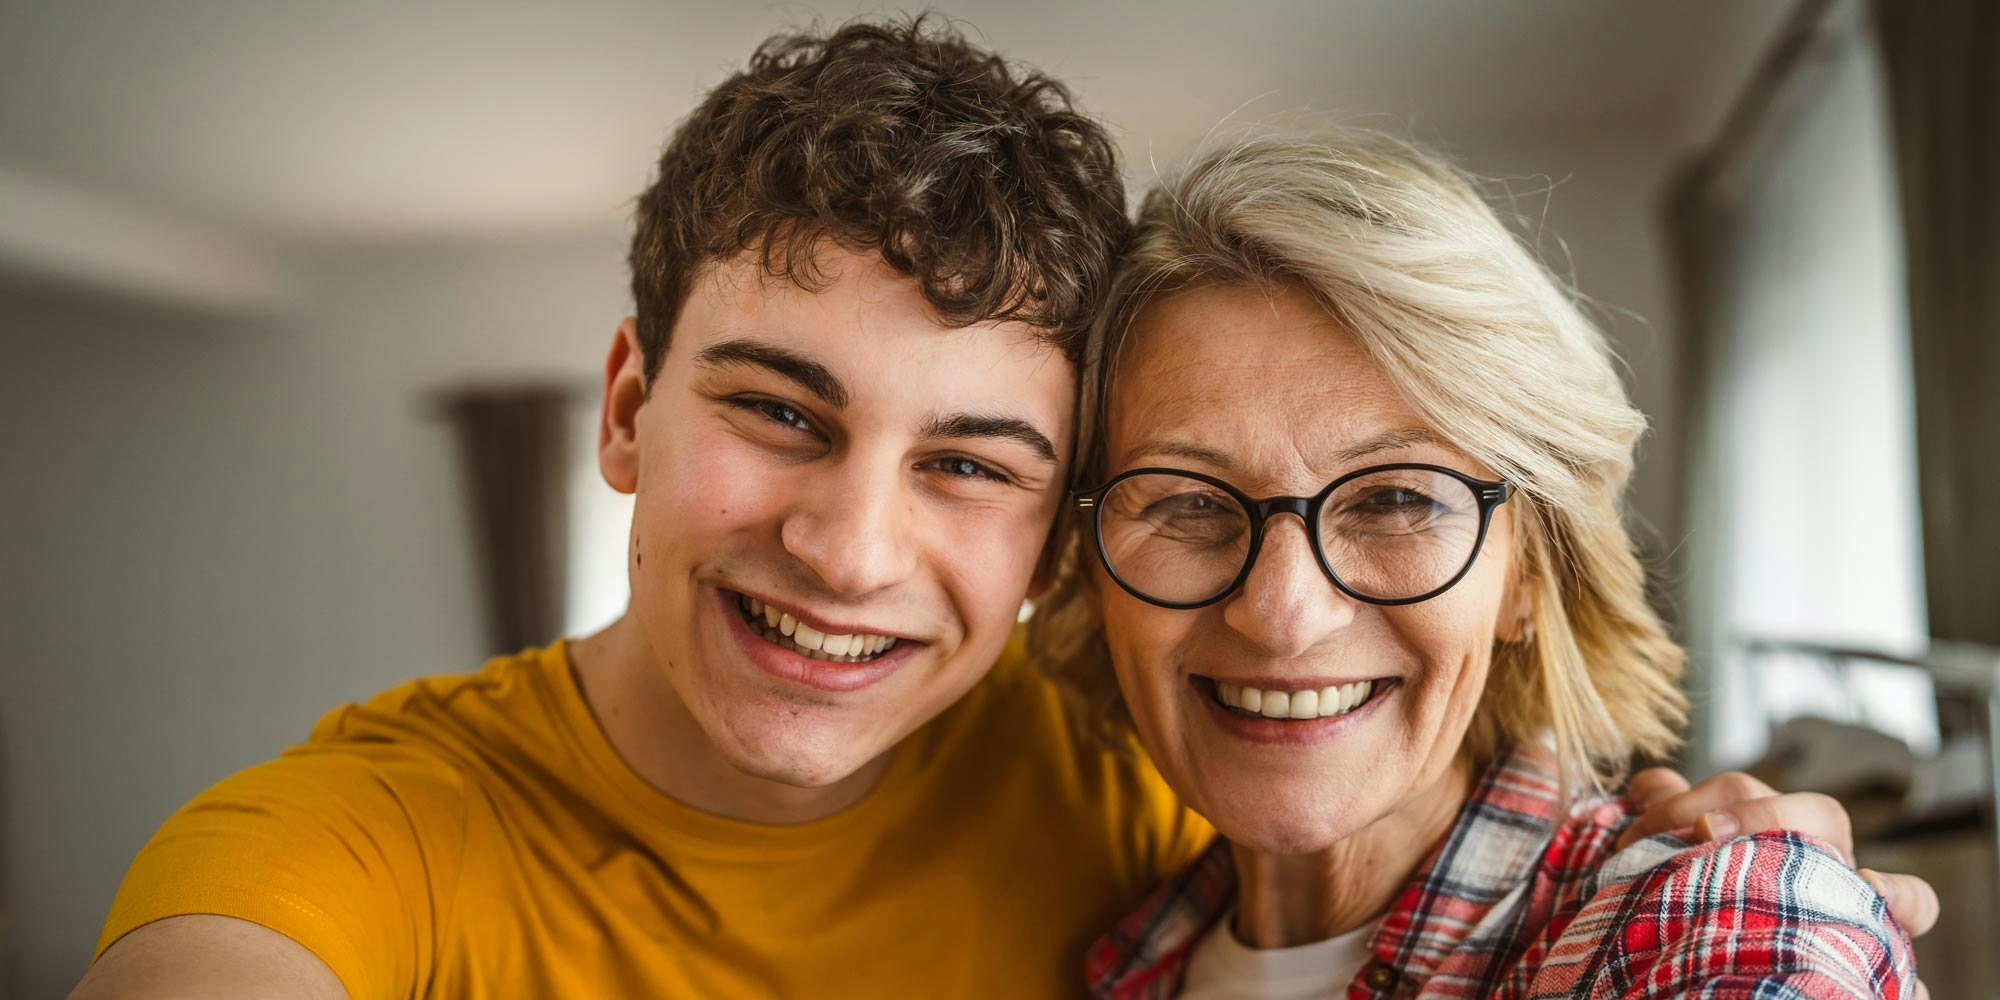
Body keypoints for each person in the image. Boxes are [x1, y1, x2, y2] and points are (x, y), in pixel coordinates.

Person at [72, 18, 1931, 1000]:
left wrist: (1752, 872)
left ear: (1522, 562)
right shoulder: (1138, 909)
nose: (855, 549)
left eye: (968, 460)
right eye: (780, 412)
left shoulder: (1704, 925)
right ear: (627, 406)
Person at [1033, 130, 1928, 998]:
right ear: (1090, 567)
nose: (1281, 612)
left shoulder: (1727, 916)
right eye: (1189, 503)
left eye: (1395, 500)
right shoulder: (1114, 955)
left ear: (1530, 574)